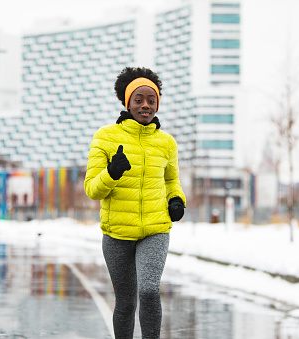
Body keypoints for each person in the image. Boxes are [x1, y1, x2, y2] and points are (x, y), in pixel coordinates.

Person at [84, 66, 186, 339]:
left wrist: (177, 199)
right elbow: (92, 190)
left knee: (150, 290)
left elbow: (171, 181)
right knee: (126, 302)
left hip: (155, 228)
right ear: (127, 102)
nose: (145, 105)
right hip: (117, 233)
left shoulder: (166, 142)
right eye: (138, 99)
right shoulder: (105, 137)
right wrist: (112, 173)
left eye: (151, 100)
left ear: (157, 104)